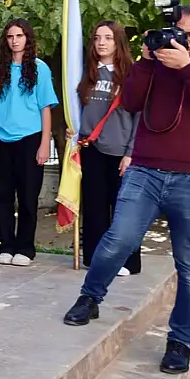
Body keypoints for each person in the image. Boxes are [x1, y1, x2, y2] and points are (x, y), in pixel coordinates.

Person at [63, 4, 190, 376]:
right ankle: (90, 297)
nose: (181, 41)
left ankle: (180, 341)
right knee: (118, 240)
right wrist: (146, 60)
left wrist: (187, 67)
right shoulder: (155, 64)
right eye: (177, 33)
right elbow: (130, 102)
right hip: (145, 170)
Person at [0, 19, 59, 265]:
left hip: (30, 139)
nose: (15, 40)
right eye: (10, 36)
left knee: (28, 197)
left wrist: (44, 143)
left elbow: (45, 108)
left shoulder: (40, 69)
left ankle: (25, 248)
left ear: (27, 38)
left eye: (19, 35)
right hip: (1, 139)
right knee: (1, 196)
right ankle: (6, 245)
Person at [77, 21, 140, 275]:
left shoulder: (132, 75)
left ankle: (126, 261)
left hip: (120, 152)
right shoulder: (85, 73)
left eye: (108, 38)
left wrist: (130, 153)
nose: (101, 43)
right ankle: (95, 258)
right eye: (97, 37)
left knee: (124, 209)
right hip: (91, 148)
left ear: (118, 42)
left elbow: (140, 117)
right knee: (94, 207)